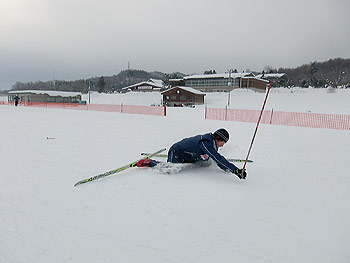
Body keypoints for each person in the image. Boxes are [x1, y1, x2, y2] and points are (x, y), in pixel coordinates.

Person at [137, 128, 247, 179]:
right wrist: (235, 170)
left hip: (189, 156)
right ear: (218, 138)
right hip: (177, 151)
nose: (223, 145)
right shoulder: (205, 143)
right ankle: (150, 162)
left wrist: (228, 169)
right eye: (223, 142)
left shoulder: (212, 145)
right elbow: (217, 157)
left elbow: (217, 160)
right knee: (171, 170)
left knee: (206, 162)